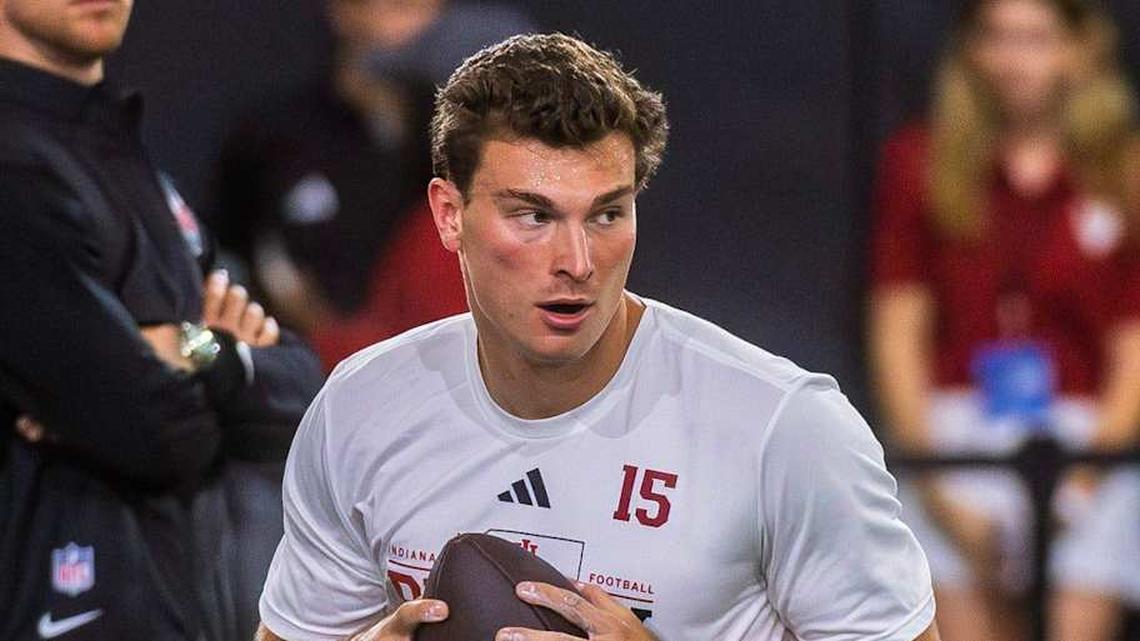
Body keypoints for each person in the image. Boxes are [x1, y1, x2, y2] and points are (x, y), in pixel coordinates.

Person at [257, 33, 940, 641]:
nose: (577, 261)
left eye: (608, 213)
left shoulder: (784, 428)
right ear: (448, 215)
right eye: (533, 215)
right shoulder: (361, 406)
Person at [0, 1, 323, 639]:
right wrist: (212, 376)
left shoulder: (118, 145)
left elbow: (300, 390)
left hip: (194, 600)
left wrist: (195, 350)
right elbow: (160, 433)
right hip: (57, 601)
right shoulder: (12, 167)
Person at [868, 1, 1140, 640]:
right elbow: (899, 327)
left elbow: (1134, 345)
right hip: (955, 432)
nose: (1016, 59)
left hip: (1087, 440)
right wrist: (934, 483)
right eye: (998, 37)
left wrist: (1079, 483)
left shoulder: (1122, 169)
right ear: (972, 49)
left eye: (1036, 39)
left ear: (1080, 48)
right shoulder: (922, 160)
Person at [215, 0, 532, 370]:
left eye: (417, 7)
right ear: (340, 10)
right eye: (388, 6)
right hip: (301, 383)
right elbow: (226, 255)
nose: (406, 26)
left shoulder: (469, 152)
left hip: (440, 380)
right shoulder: (271, 140)